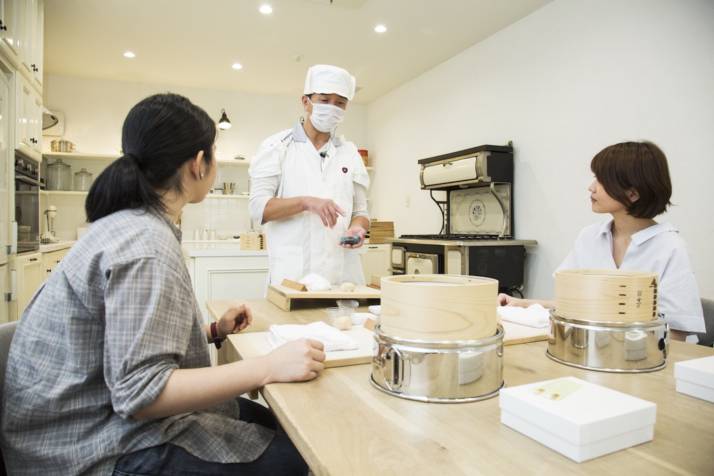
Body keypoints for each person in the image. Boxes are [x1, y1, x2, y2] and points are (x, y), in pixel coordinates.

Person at [0, 93, 325, 475]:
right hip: (85, 448)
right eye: (214, 155)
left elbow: (119, 341)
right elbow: (140, 395)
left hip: (70, 423)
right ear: (199, 163)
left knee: (283, 426)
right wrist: (268, 367)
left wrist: (210, 331)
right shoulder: (146, 243)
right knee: (301, 458)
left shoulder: (127, 224)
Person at [499, 141, 705, 341]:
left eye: (601, 180)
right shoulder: (589, 237)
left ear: (632, 193)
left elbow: (678, 333)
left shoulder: (669, 247)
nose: (591, 188)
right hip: (592, 355)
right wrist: (520, 304)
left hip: (648, 364)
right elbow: (573, 304)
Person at [249, 64, 370, 286]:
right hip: (294, 278)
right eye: (324, 100)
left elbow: (361, 212)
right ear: (306, 102)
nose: (332, 108)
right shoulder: (277, 147)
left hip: (343, 278)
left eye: (340, 103)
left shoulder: (350, 153)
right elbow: (258, 208)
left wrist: (358, 228)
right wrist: (306, 202)